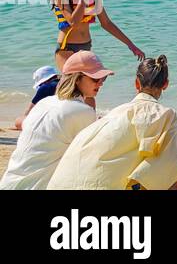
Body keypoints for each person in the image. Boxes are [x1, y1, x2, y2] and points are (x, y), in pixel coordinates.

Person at [47, 55, 177, 191]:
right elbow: (169, 168)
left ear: (136, 84)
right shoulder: (164, 114)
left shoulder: (115, 114)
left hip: (61, 185)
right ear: (165, 84)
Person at [1, 53, 111, 190]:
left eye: (103, 78)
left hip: (8, 183)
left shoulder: (44, 103)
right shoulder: (82, 111)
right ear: (77, 78)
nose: (101, 83)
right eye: (96, 78)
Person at [12, 66, 59, 130]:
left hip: (57, 122)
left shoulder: (46, 87)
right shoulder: (65, 83)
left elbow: (30, 109)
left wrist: (23, 119)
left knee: (18, 121)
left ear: (43, 81)